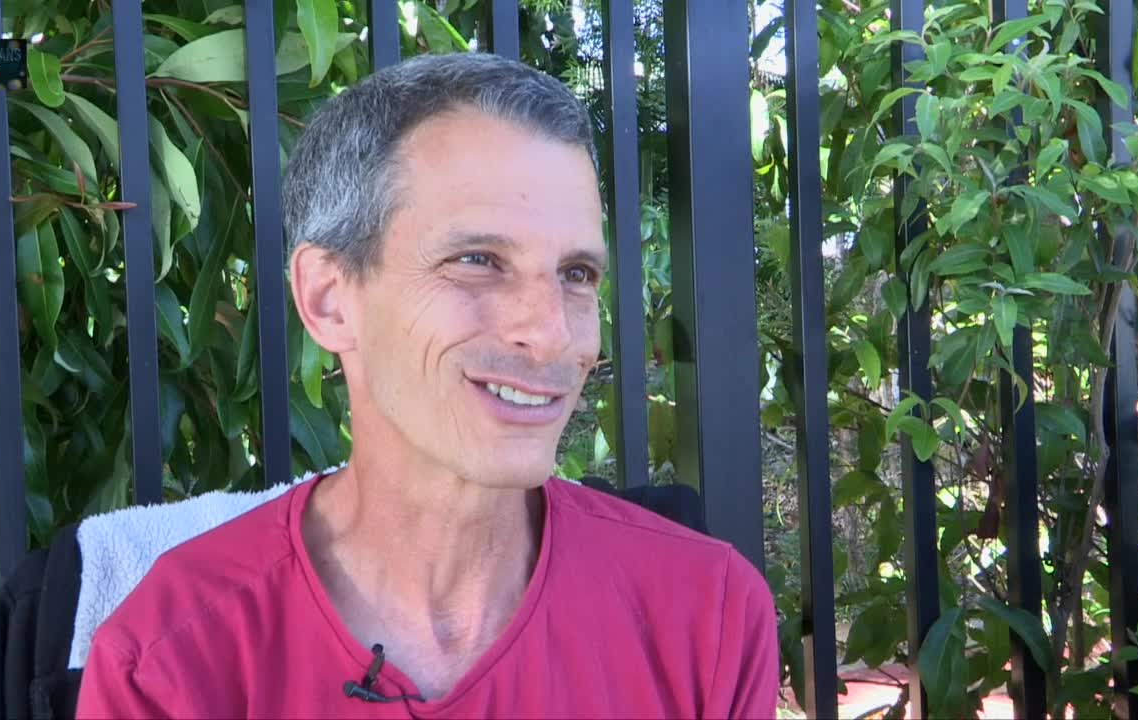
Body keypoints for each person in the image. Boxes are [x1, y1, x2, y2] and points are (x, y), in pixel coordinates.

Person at [75, 51, 778, 719]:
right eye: (478, 260)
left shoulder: (705, 615)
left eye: (575, 275)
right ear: (328, 298)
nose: (554, 335)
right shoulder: (173, 656)